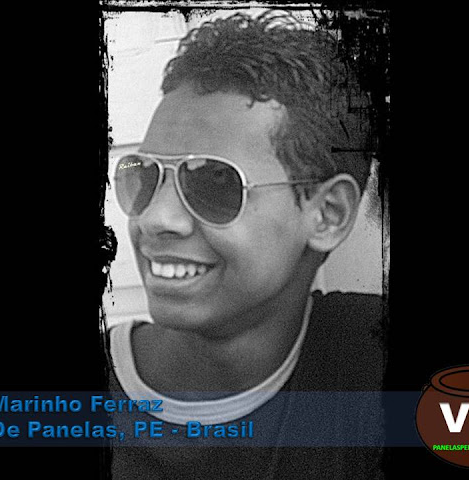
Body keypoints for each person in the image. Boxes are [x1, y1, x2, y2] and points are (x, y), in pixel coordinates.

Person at [106, 10, 386, 479]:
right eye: (144, 176)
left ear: (328, 214)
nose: (154, 219)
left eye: (215, 181)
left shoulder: (370, 368)